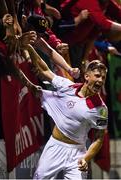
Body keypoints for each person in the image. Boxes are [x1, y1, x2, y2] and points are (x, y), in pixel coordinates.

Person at [22, 44, 108, 179]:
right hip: (55, 147)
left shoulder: (101, 109)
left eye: (103, 78)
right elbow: (45, 70)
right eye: (97, 76)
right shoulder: (68, 86)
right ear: (86, 76)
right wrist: (28, 47)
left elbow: (99, 138)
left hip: (78, 154)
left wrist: (86, 158)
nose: (100, 80)